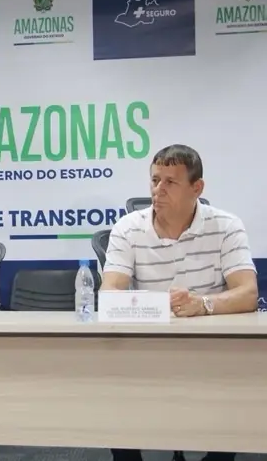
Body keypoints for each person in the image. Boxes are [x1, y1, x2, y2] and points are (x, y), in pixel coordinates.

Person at [101, 144, 257, 461]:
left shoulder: (226, 226)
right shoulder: (128, 228)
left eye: (170, 182)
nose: (158, 190)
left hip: (212, 348)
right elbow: (110, 293)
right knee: (111, 386)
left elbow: (247, 292)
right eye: (154, 180)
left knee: (239, 386)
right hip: (147, 346)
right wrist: (156, 306)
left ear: (196, 188)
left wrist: (203, 304)